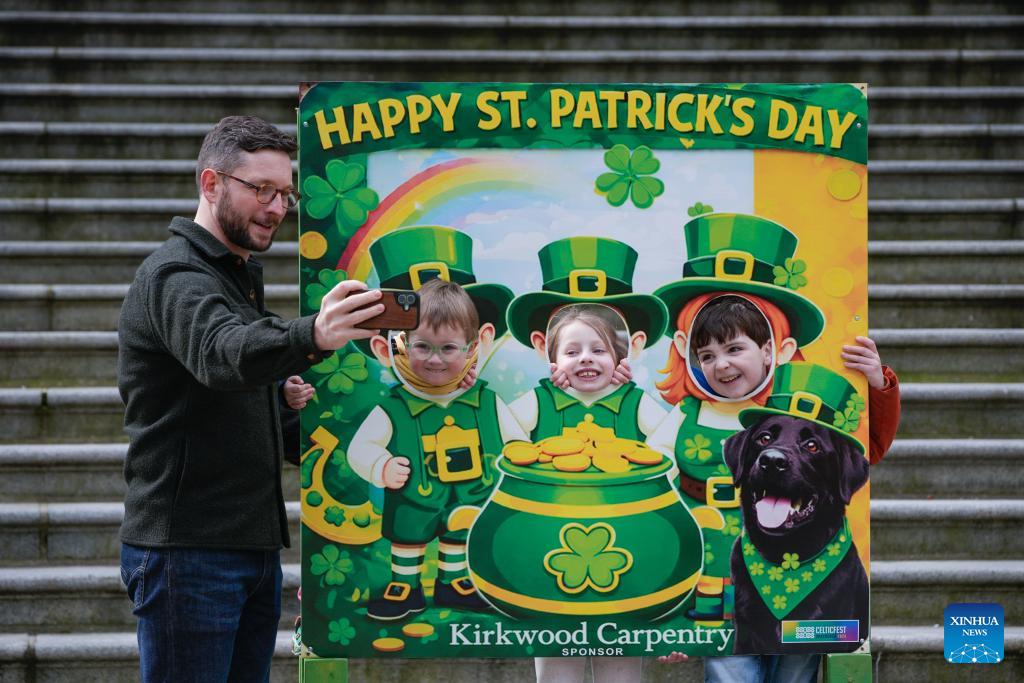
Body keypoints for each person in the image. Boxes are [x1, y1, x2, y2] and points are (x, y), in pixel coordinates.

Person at [117, 115, 385, 682]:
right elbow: (223, 354)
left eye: (285, 194)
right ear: (211, 184)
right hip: (189, 554)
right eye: (262, 189)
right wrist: (314, 334)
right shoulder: (175, 275)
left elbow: (248, 403)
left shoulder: (234, 278)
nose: (277, 207)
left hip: (250, 549)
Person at [663, 335, 901, 682]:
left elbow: (869, 444)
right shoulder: (689, 410)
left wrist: (878, 385)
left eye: (811, 446)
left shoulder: (802, 408)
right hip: (719, 575)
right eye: (765, 441)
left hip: (821, 579)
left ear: (769, 352)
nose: (774, 454)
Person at [349, 277, 528, 620]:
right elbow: (362, 447)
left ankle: (453, 582)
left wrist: (518, 463)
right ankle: (405, 586)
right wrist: (381, 466)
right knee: (407, 538)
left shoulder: (487, 401)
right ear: (400, 347)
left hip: (470, 494)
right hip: (414, 498)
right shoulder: (394, 407)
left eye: (448, 348)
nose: (435, 360)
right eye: (422, 347)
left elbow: (517, 443)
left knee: (459, 534)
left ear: (471, 348)